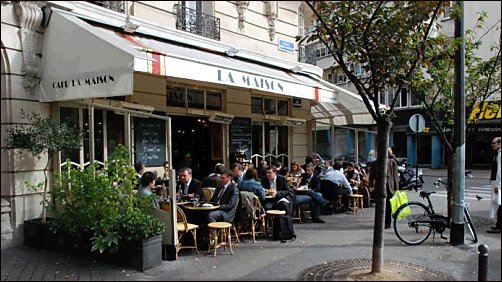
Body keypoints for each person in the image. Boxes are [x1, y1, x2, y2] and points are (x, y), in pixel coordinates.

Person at [369, 147, 399, 228]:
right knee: (379, 205)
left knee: (389, 206)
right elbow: (371, 176)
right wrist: (371, 185)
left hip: (390, 187)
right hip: (379, 187)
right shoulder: (374, 163)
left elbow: (395, 175)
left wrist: (396, 187)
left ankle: (387, 223)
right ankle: (380, 222)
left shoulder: (392, 162)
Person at [487, 137, 501, 233]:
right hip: (496, 182)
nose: (492, 145)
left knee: (499, 203)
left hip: (498, 183)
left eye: (494, 143)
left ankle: (499, 225)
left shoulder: (500, 155)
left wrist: (498, 185)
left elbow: (500, 171)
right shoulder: (498, 154)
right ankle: (498, 224)